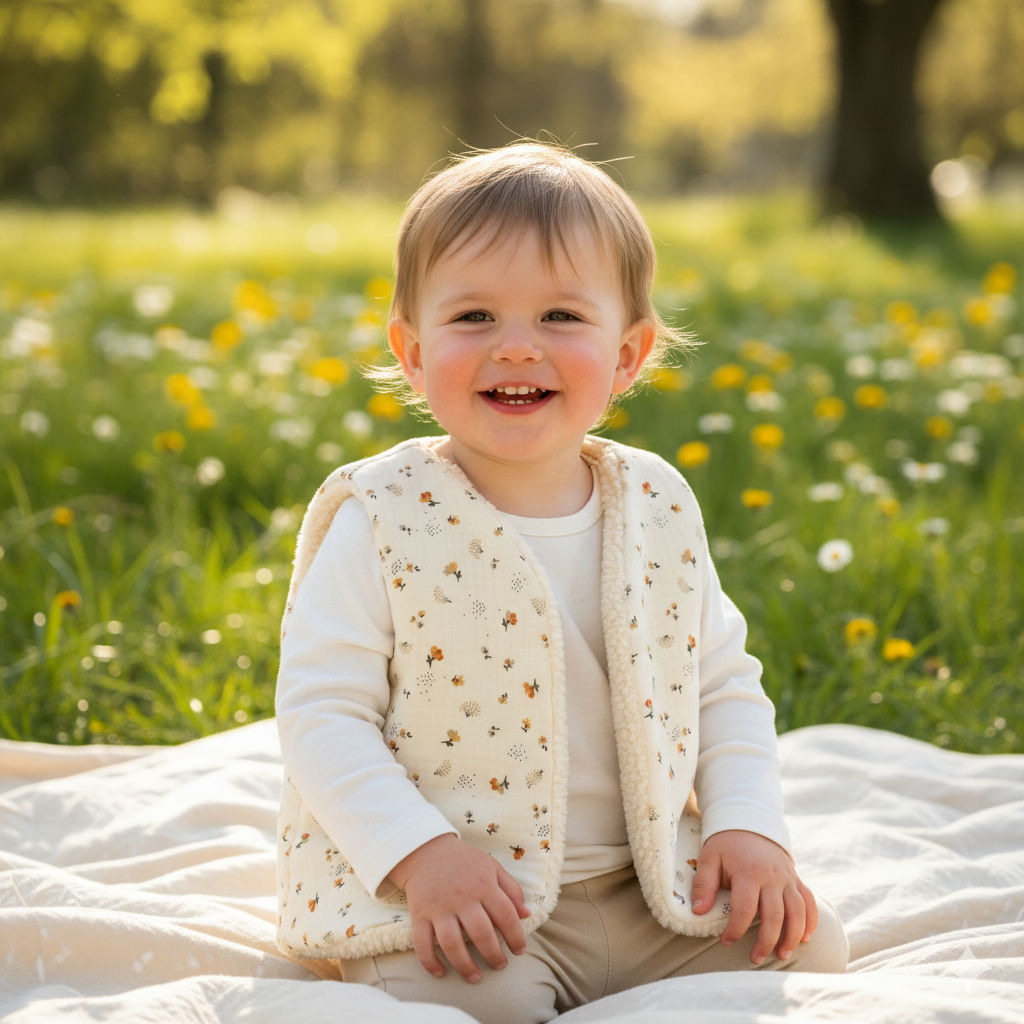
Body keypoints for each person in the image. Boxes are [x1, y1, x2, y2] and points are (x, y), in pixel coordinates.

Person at [274, 142, 848, 1024]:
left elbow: (723, 686)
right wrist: (420, 857)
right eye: (472, 316)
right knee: (482, 1003)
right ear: (413, 351)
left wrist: (745, 827)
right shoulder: (385, 515)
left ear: (628, 355)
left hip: (645, 883)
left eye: (558, 316)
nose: (515, 347)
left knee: (808, 947)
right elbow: (322, 713)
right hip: (465, 895)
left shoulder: (655, 503)